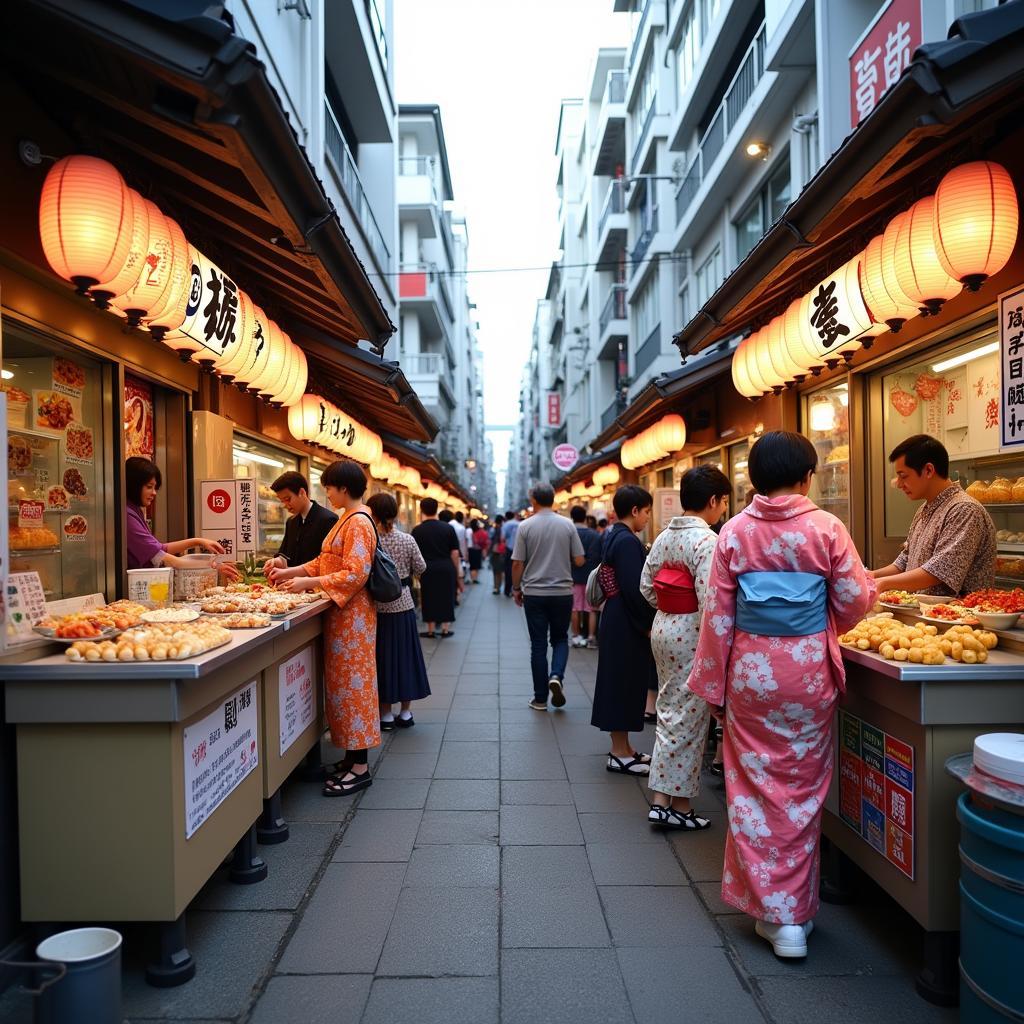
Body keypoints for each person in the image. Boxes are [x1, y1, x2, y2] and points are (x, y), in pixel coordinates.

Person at [687, 431, 875, 959]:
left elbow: (718, 618)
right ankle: (793, 914)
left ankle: (774, 913)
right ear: (807, 476)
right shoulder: (826, 528)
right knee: (802, 787)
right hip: (806, 676)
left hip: (750, 674)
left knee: (750, 787)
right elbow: (855, 601)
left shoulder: (734, 533)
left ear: (755, 478)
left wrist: (713, 684)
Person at [269, 460, 380, 797]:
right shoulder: (348, 518)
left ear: (343, 488)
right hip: (343, 616)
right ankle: (350, 757)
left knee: (354, 686)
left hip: (354, 619)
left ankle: (360, 767)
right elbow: (324, 561)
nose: (327, 493)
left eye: (329, 487)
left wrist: (308, 581)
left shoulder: (358, 521)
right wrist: (293, 573)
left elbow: (354, 573)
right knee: (342, 687)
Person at [640, 465, 730, 830]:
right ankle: (677, 806)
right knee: (689, 719)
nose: (723, 509)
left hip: (663, 626)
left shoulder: (664, 537)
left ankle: (665, 800)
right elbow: (710, 600)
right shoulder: (707, 541)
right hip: (692, 633)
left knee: (670, 712)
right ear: (713, 501)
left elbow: (646, 587)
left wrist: (669, 606)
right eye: (723, 502)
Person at [871, 433, 996, 596]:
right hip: (925, 615)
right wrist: (870, 576)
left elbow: (939, 570)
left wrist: (882, 583)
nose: (899, 484)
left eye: (904, 476)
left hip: (959, 618)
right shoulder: (924, 509)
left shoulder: (964, 510)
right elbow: (904, 561)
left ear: (929, 470)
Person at [591, 485, 656, 774]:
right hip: (626, 620)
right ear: (634, 510)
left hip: (616, 616)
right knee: (623, 682)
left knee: (621, 680)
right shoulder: (628, 542)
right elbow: (635, 590)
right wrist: (646, 625)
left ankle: (625, 747)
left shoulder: (613, 535)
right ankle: (619, 752)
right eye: (646, 512)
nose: (647, 518)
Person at [511, 483, 585, 711]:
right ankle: (556, 676)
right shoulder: (567, 525)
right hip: (562, 592)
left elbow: (517, 563)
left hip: (534, 593)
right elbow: (580, 559)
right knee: (561, 639)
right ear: (553, 499)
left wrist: (516, 589)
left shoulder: (525, 526)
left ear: (533, 500)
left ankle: (540, 698)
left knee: (538, 645)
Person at [366, 492, 430, 731]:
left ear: (372, 513)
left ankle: (385, 714)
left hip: (377, 606)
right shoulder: (407, 539)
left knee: (382, 659)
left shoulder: (371, 541)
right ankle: (405, 712)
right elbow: (421, 568)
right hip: (403, 604)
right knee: (406, 658)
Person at [125, 457, 239, 578]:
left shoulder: (134, 510)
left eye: (155, 487)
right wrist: (214, 567)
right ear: (134, 485)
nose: (154, 493)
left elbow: (160, 549)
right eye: (149, 487)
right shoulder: (127, 515)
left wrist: (198, 541)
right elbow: (170, 560)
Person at [261, 470, 338, 575]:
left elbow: (330, 563)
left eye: (288, 499)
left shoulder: (328, 519)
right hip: (292, 587)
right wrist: (276, 561)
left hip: (317, 586)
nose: (285, 505)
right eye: (282, 501)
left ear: (302, 492)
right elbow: (285, 555)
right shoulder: (291, 522)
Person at [412, 498, 462, 638]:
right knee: (447, 596)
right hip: (446, 566)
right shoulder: (448, 528)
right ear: (437, 509)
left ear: (422, 510)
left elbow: (414, 554)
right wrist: (456, 570)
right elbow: (455, 552)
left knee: (428, 597)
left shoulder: (417, 530)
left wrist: (416, 573)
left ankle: (431, 629)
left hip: (426, 568)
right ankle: (445, 629)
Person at [569, 506, 601, 649]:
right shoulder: (595, 535)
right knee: (591, 608)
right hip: (590, 576)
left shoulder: (569, 533)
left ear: (572, 517)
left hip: (573, 576)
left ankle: (576, 636)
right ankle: (591, 637)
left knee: (575, 608)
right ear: (585, 517)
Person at [502, 511, 521, 596]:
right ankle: (516, 587)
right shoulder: (520, 524)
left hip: (509, 549)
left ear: (506, 517)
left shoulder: (506, 525)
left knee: (508, 570)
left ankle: (507, 590)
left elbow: (502, 538)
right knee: (519, 568)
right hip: (520, 549)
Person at [490, 514, 507, 594]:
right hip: (500, 552)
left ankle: (497, 587)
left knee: (496, 571)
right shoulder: (501, 529)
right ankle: (498, 587)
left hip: (497, 552)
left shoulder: (497, 529)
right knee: (499, 571)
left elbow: (495, 541)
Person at [470, 518, 489, 584]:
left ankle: (473, 579)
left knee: (472, 566)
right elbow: (485, 541)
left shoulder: (470, 531)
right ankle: (474, 579)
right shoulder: (481, 532)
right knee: (476, 565)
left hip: (471, 550)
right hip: (477, 550)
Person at [454, 510, 471, 583]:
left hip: (452, 551)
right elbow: (464, 542)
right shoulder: (462, 528)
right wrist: (466, 554)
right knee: (460, 568)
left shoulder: (451, 525)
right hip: (460, 551)